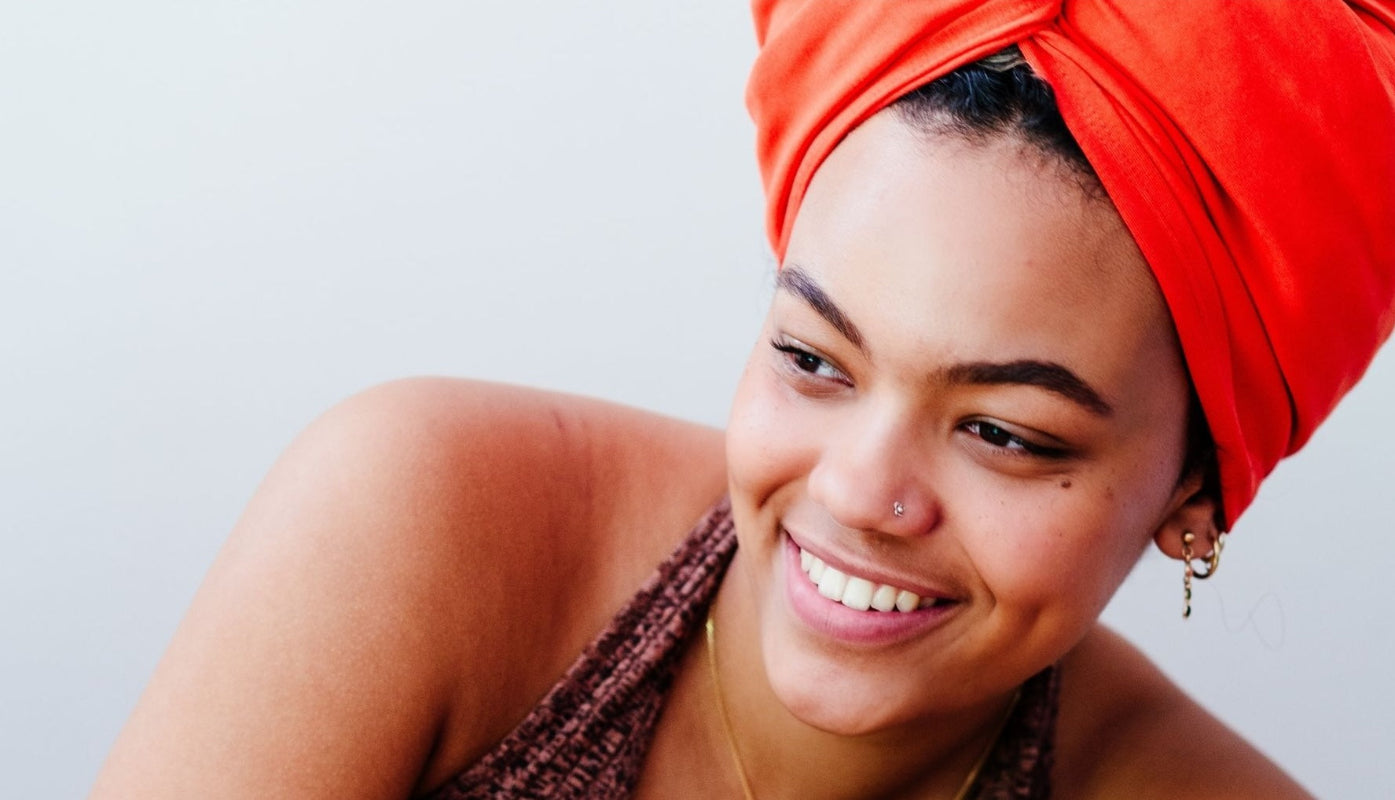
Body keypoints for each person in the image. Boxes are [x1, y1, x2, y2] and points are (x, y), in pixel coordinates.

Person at [91, 1, 1394, 798]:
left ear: (1192, 494)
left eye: (1004, 432)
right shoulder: (415, 523)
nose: (854, 494)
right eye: (813, 360)